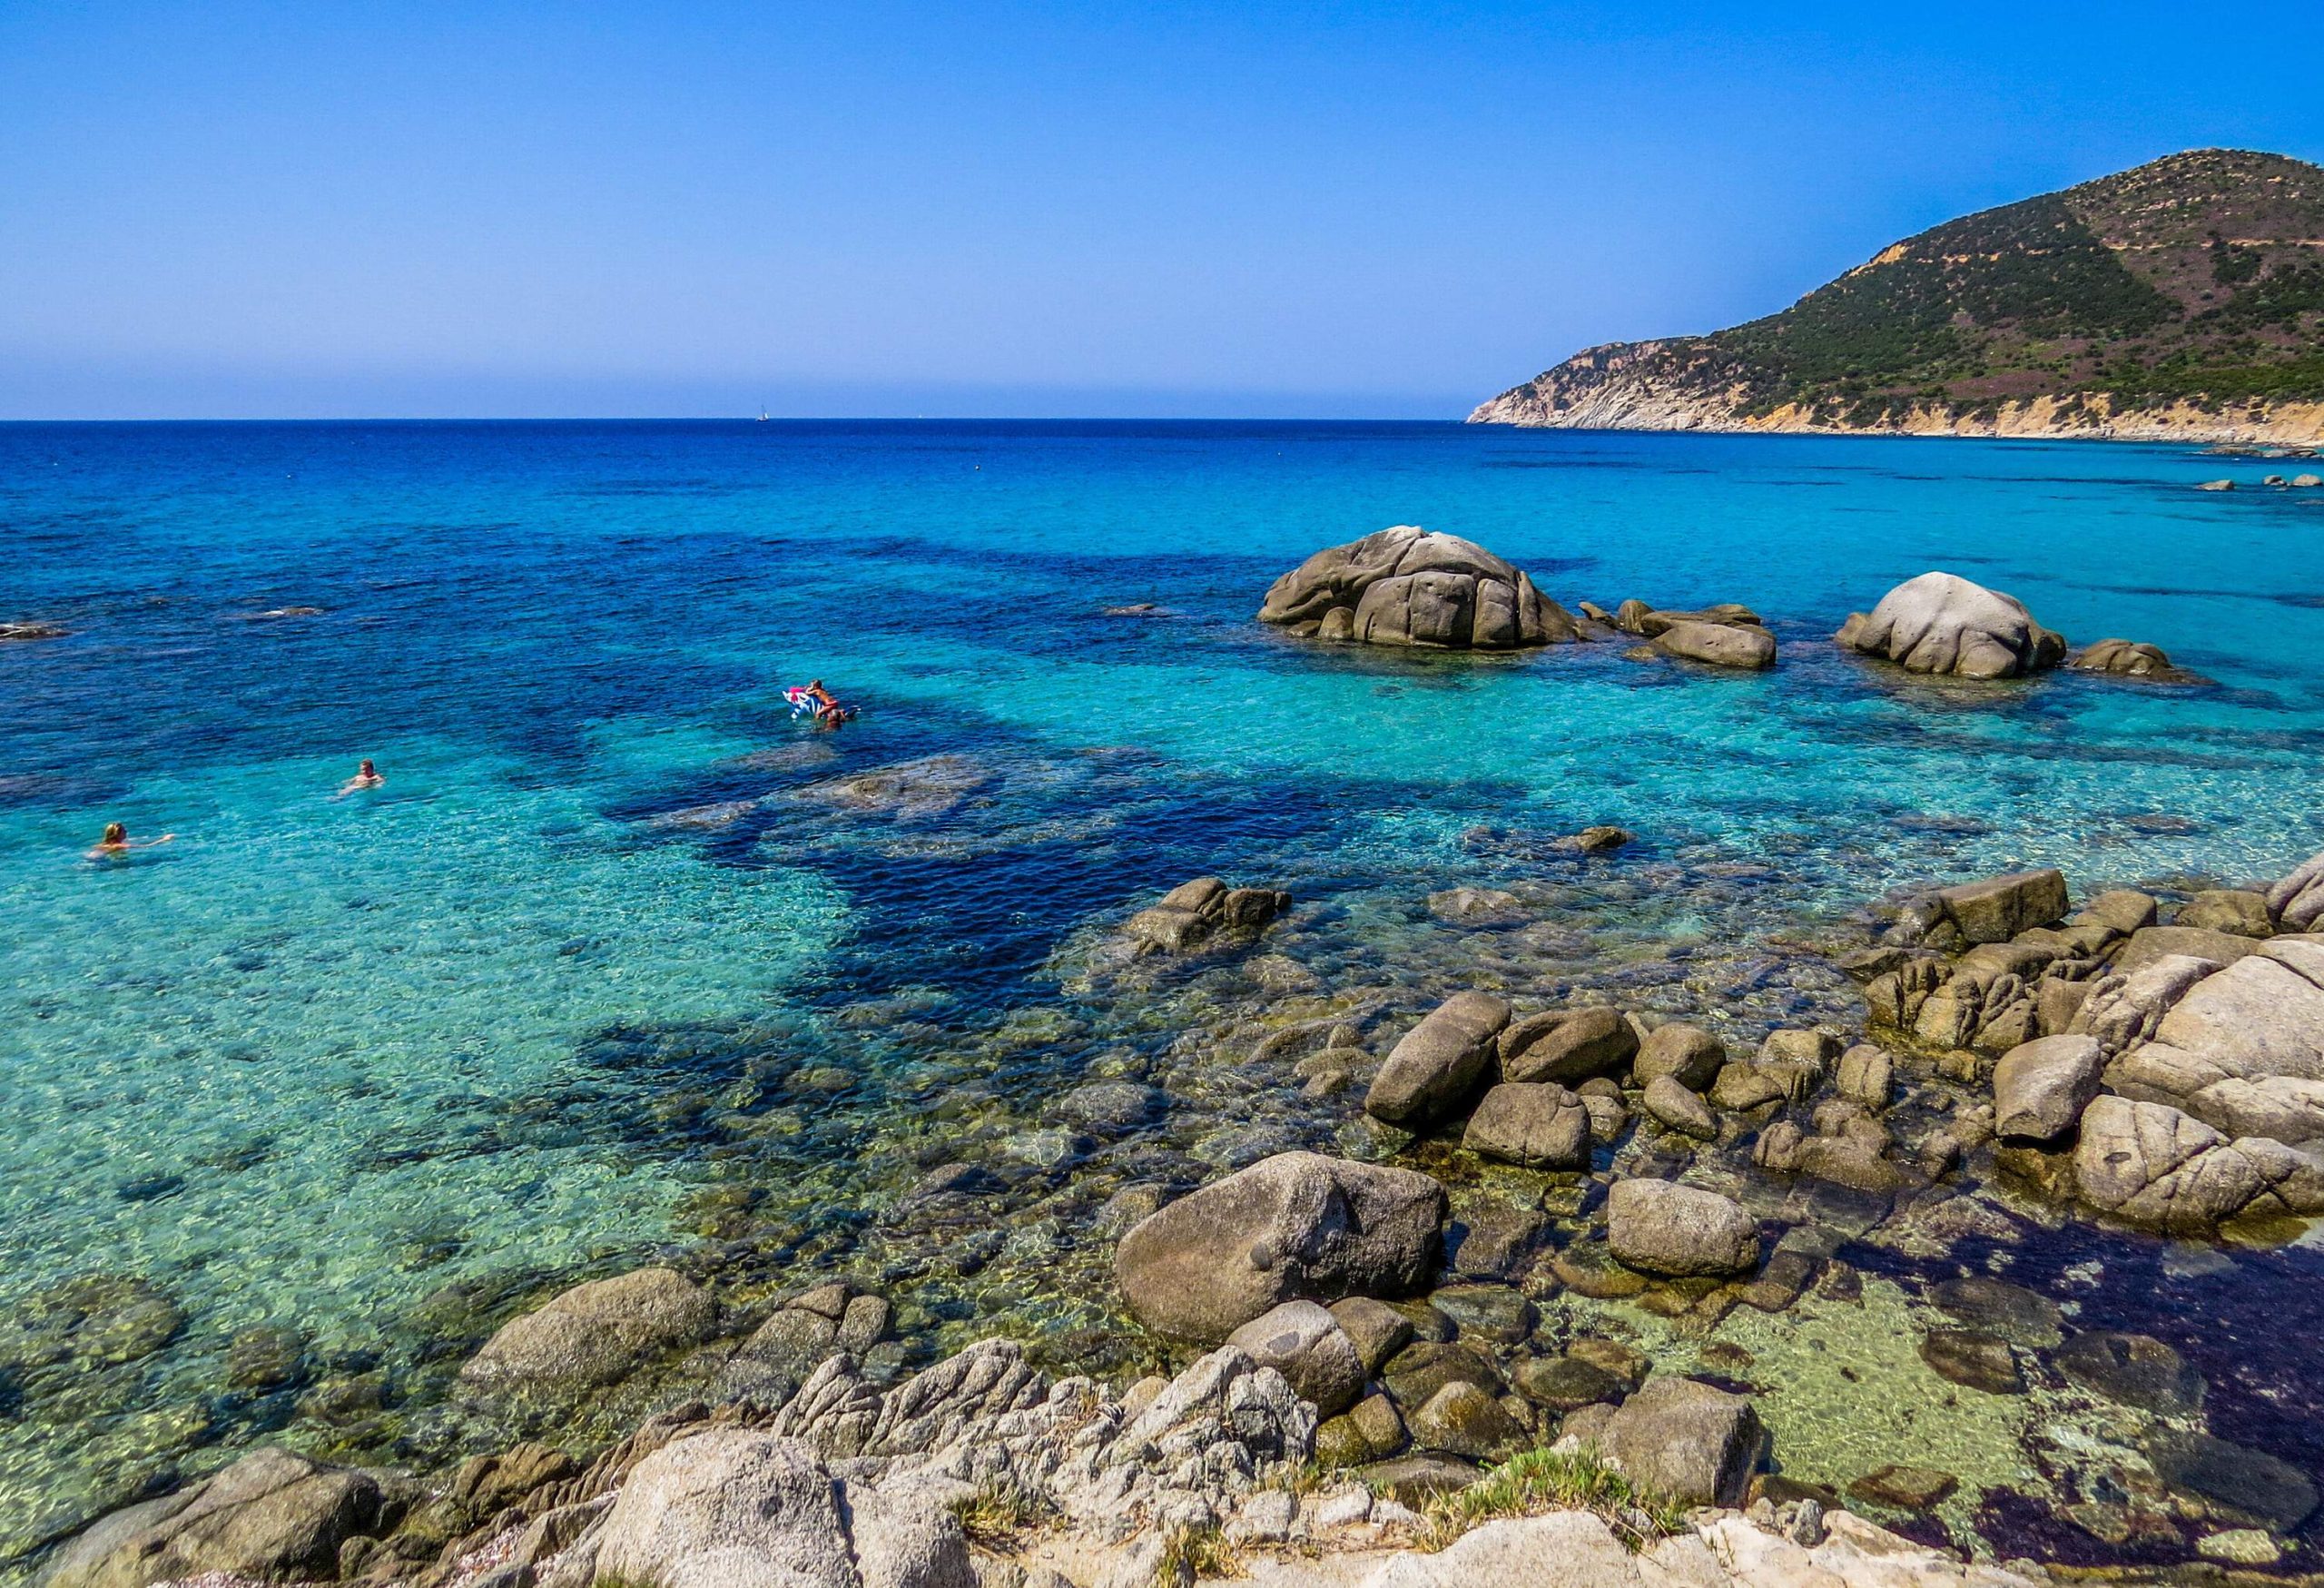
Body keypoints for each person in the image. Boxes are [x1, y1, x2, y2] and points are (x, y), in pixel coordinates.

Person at [88, 822, 173, 859]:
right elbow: (145, 847)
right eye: (124, 831)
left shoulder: (104, 844)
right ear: (117, 834)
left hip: (92, 856)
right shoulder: (120, 846)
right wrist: (164, 839)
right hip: (98, 860)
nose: (126, 831)